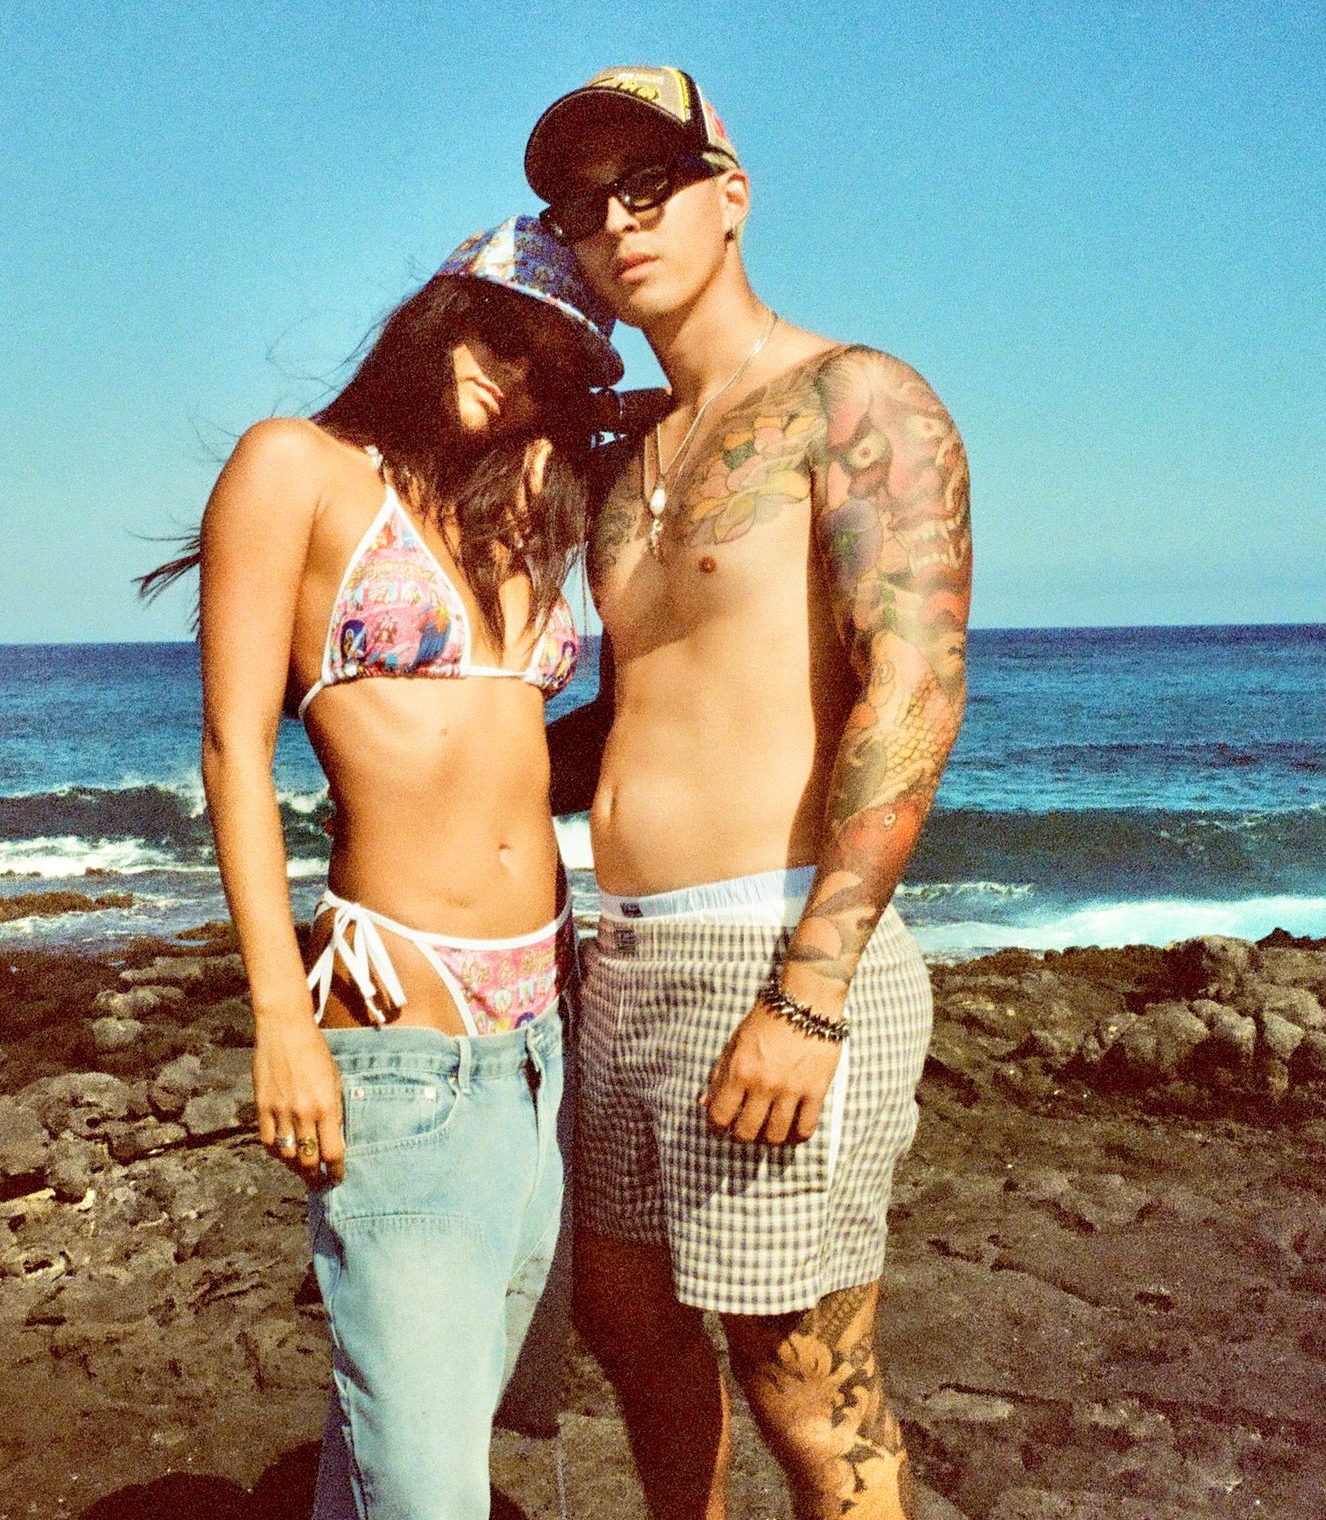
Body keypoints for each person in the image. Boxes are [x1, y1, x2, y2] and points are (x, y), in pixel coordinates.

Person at [524, 68, 972, 1519]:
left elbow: (909, 696)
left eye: (648, 187)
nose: (617, 224)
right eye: (582, 208)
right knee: (635, 1339)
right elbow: (639, 716)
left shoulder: (859, 400)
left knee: (805, 1378)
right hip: (625, 961)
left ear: (733, 191)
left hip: (775, 956)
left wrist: (809, 995)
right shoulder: (625, 455)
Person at [144, 217, 623, 1520]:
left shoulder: (523, 510)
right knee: (425, 1484)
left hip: (542, 1036)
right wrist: (281, 1021)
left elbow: (518, 758)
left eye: (556, 364)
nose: (513, 372)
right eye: (500, 330)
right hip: (397, 1032)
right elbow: (235, 753)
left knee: (411, 1437)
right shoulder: (293, 469)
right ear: (438, 311)